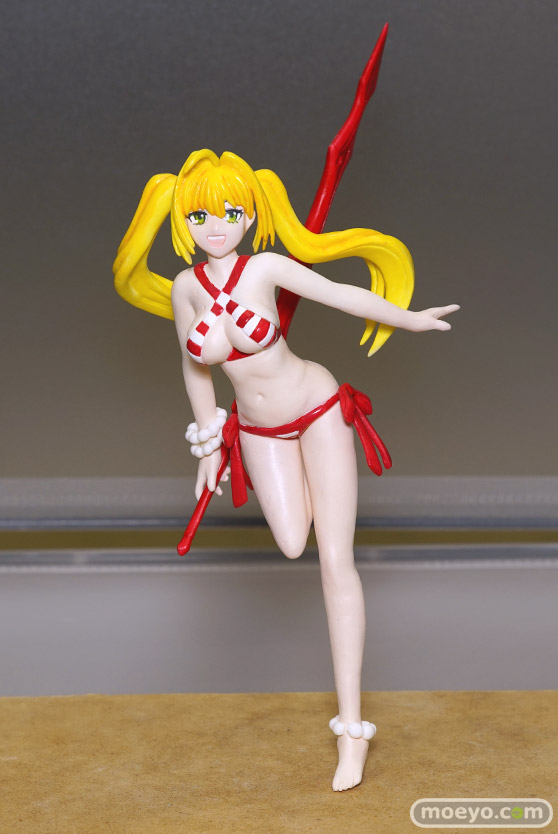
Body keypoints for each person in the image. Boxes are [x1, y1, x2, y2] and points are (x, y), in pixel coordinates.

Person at [113, 149, 459, 791]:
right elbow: (195, 368)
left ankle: (351, 731)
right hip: (258, 429)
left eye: (230, 212)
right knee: (294, 541)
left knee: (335, 561)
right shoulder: (187, 288)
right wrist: (210, 442)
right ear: (183, 222)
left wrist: (409, 318)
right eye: (201, 216)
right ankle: (315, 493)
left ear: (250, 215)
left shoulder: (266, 267)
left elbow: (338, 293)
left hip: (318, 408)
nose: (217, 226)